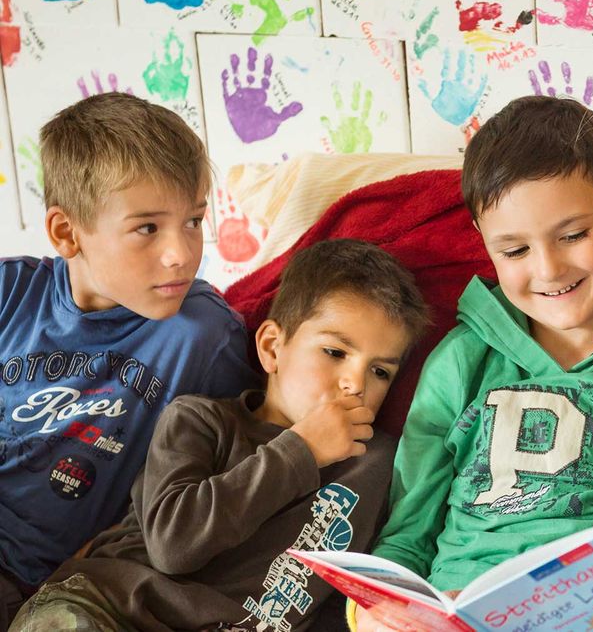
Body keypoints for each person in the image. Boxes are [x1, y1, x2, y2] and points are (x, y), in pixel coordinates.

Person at [355, 95, 593, 630]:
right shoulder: (460, 361)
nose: (549, 269)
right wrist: (379, 609)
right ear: (484, 241)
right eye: (515, 251)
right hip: (459, 609)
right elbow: (407, 534)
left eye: (573, 235)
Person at [10, 238, 431, 631]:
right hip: (110, 606)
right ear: (272, 348)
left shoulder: (377, 464)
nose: (356, 383)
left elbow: (345, 595)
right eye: (335, 352)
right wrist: (301, 450)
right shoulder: (199, 420)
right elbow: (174, 547)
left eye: (380, 371)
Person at [0, 93, 261, 626]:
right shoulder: (9, 295)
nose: (182, 254)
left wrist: (123, 543)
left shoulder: (201, 335)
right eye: (148, 228)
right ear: (67, 233)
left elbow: (222, 471)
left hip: (74, 584)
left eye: (193, 221)